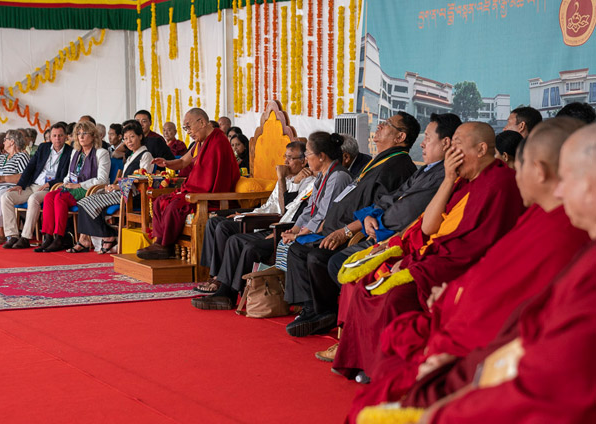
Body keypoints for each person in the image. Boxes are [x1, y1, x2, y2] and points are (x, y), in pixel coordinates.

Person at [345, 118, 590, 422]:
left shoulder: (509, 190)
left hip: (482, 336)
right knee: (376, 289)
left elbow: (482, 256)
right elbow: (444, 235)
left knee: (401, 335)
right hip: (456, 294)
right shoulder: (465, 183)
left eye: (457, 143)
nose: (451, 149)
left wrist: (452, 312)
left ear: (539, 172)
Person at [332, 122, 526, 382]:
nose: (452, 152)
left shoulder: (501, 183)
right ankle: (359, 359)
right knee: (365, 280)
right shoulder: (460, 180)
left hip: (460, 264)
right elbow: (429, 226)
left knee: (393, 295)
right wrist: (447, 179)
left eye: (458, 144)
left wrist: (417, 264)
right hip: (435, 253)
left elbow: (478, 246)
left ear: (481, 149)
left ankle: (382, 369)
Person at [313, 113, 460, 360]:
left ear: (446, 144)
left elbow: (410, 213)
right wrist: (368, 218)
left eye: (428, 139)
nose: (422, 144)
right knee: (327, 258)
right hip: (377, 230)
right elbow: (390, 199)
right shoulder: (426, 171)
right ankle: (345, 328)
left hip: (395, 237)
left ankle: (353, 335)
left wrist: (370, 228)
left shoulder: (440, 176)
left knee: (340, 263)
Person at [282, 112, 420, 337]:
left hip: (352, 233)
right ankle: (311, 308)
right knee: (297, 250)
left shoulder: (399, 166)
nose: (379, 126)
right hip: (334, 226)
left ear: (400, 136)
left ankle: (327, 311)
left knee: (317, 256)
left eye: (386, 124)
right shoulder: (379, 160)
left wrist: (345, 231)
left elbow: (379, 209)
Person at [191, 134, 348, 310]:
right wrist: (294, 230)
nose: (306, 159)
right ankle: (225, 291)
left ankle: (233, 293)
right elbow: (307, 211)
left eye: (308, 154)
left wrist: (295, 232)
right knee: (233, 238)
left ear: (321, 156)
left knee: (249, 246)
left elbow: (322, 215)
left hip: (316, 232)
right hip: (292, 226)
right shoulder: (322, 177)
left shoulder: (337, 177)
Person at [192, 139, 315, 294]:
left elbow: (284, 211)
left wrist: (282, 179)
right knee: (214, 221)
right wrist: (246, 213)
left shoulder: (306, 180)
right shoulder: (288, 176)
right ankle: (215, 274)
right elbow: (267, 205)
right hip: (261, 214)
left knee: (224, 227)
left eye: (291, 158)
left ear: (304, 161)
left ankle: (221, 282)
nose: (285, 161)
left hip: (271, 221)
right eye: (285, 156)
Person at [136, 108, 240, 260]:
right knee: (160, 201)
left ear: (202, 122)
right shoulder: (200, 142)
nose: (188, 132)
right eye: (185, 128)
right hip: (196, 190)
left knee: (173, 207)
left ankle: (165, 245)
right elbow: (183, 161)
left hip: (210, 196)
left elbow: (212, 179)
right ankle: (160, 243)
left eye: (188, 127)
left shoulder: (219, 141)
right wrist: (166, 163)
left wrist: (193, 191)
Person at [72, 120, 155, 253]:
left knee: (87, 203)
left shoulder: (146, 155)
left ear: (140, 136)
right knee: (84, 202)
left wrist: (117, 187)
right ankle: (106, 234)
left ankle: (108, 234)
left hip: (133, 194)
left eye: (132, 137)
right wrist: (113, 186)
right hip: (122, 190)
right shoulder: (130, 156)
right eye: (126, 139)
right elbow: (125, 178)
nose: (129, 141)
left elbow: (143, 179)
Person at [35, 120, 111, 252]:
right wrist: (65, 183)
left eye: (85, 133)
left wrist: (79, 185)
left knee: (60, 198)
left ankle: (60, 237)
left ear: (93, 135)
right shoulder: (76, 153)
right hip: (72, 187)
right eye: (78, 133)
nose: (81, 137)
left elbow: (102, 180)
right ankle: (48, 237)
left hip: (90, 190)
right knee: (49, 197)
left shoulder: (101, 153)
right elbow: (69, 174)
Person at [0, 122, 73, 249]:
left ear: (65, 136)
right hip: (33, 185)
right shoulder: (44, 148)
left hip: (50, 188)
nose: (57, 139)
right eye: (54, 136)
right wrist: (21, 185)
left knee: (33, 199)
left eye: (60, 135)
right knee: (6, 197)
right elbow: (30, 167)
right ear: (50, 137)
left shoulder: (70, 152)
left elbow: (66, 176)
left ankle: (26, 237)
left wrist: (49, 183)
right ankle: (13, 235)